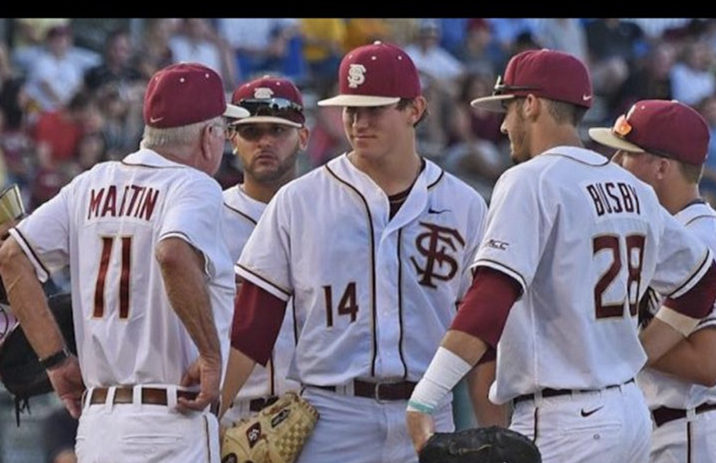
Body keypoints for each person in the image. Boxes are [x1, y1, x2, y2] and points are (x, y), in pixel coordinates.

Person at [405, 49, 716, 463]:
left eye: (509, 109)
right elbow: (700, 283)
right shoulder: (634, 190)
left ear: (530, 105)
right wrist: (634, 353)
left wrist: (425, 398)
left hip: (567, 419)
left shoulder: (530, 180)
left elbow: (489, 300)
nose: (503, 123)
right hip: (630, 411)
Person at [220, 41, 489, 463]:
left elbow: (480, 335)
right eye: (351, 109)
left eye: (374, 108)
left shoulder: (464, 205)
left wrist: (493, 430)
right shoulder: (300, 200)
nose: (359, 122)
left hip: (427, 409)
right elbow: (254, 324)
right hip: (331, 413)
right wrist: (209, 416)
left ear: (414, 110)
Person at [0, 62, 249, 462]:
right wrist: (210, 356)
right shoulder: (194, 185)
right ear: (208, 136)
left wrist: (56, 361)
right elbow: (172, 252)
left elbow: (12, 256)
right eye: (224, 129)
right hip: (172, 418)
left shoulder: (90, 182)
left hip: (99, 422)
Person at [589, 99, 716, 462]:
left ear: (661, 167)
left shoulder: (702, 239)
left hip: (690, 430)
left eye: (627, 154)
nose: (614, 165)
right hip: (660, 428)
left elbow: (707, 364)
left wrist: (611, 337)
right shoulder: (667, 231)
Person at [220, 75, 308, 425]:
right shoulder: (205, 219)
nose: (265, 142)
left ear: (303, 137)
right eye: (252, 132)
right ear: (232, 140)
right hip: (232, 411)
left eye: (278, 130)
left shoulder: (332, 215)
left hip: (316, 414)